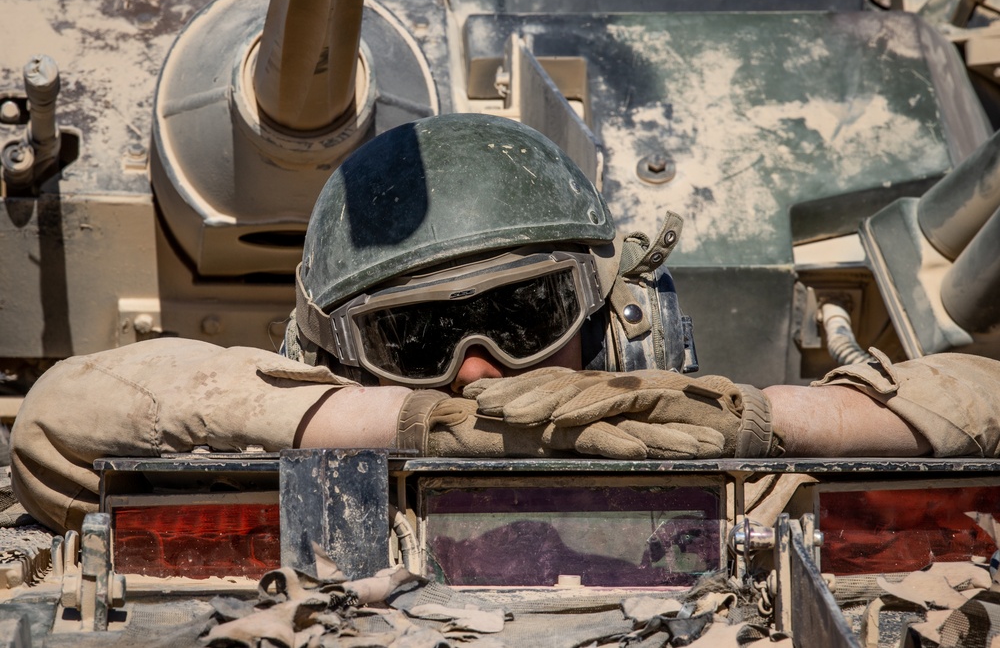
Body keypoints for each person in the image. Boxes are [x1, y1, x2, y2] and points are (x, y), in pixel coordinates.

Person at [9, 114, 1000, 534]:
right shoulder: (313, 496)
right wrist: (391, 429)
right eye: (416, 342)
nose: (478, 373)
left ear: (604, 305)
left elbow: (982, 401)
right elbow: (63, 417)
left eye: (521, 316)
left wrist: (737, 424)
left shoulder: (719, 476)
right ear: (338, 355)